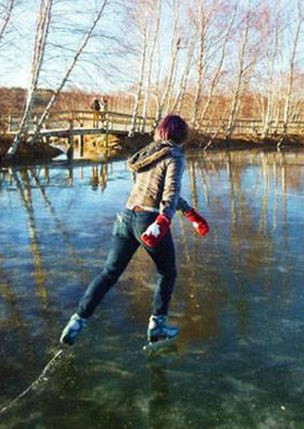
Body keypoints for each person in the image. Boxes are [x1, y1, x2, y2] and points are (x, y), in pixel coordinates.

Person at [60, 114, 210, 347]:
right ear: (181, 135)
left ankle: (77, 321)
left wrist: (189, 212)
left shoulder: (148, 153)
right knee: (167, 273)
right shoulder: (174, 156)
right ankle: (158, 326)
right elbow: (168, 193)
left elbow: (155, 191)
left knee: (109, 273)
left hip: (126, 217)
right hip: (148, 221)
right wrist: (162, 222)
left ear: (160, 132)